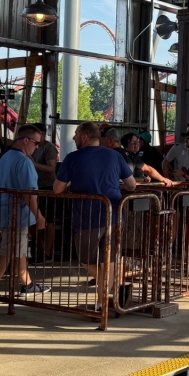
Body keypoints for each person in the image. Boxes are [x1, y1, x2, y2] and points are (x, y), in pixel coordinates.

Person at [53, 122, 140, 299]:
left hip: (87, 217)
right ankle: (106, 302)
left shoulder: (72, 158)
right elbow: (132, 185)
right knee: (111, 259)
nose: (73, 137)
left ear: (84, 137)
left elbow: (57, 189)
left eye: (76, 134)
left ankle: (104, 291)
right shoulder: (115, 156)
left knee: (86, 259)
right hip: (115, 214)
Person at [0, 125, 48, 294]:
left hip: (4, 211)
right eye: (36, 143)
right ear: (26, 140)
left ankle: (27, 283)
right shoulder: (24, 162)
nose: (37, 147)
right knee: (8, 252)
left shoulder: (6, 157)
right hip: (16, 215)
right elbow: (28, 194)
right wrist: (38, 215)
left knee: (17, 249)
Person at [30, 124, 58, 259]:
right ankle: (40, 249)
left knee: (48, 220)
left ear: (41, 133)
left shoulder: (49, 148)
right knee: (33, 220)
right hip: (34, 187)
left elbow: (51, 168)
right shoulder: (33, 147)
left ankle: (46, 251)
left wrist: (33, 164)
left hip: (46, 187)